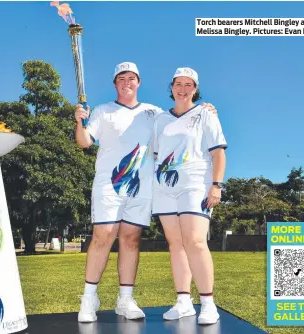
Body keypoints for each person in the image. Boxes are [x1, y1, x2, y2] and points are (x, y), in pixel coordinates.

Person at [74, 62, 217, 323]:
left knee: (130, 239)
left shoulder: (154, 114)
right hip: (109, 184)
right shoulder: (103, 111)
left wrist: (206, 108)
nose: (126, 82)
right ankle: (89, 297)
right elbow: (84, 142)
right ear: (115, 83)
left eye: (131, 78)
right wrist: (79, 122)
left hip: (143, 186)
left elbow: (181, 119)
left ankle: (125, 299)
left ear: (138, 82)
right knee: (103, 236)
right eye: (121, 78)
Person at [152, 67, 227, 325]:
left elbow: (218, 152)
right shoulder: (161, 119)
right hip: (164, 186)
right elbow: (155, 155)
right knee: (175, 244)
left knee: (195, 241)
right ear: (171, 87)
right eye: (178, 84)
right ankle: (183, 301)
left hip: (196, 184)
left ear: (195, 89)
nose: (183, 89)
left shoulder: (205, 114)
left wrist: (216, 185)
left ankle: (208, 303)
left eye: (188, 85)